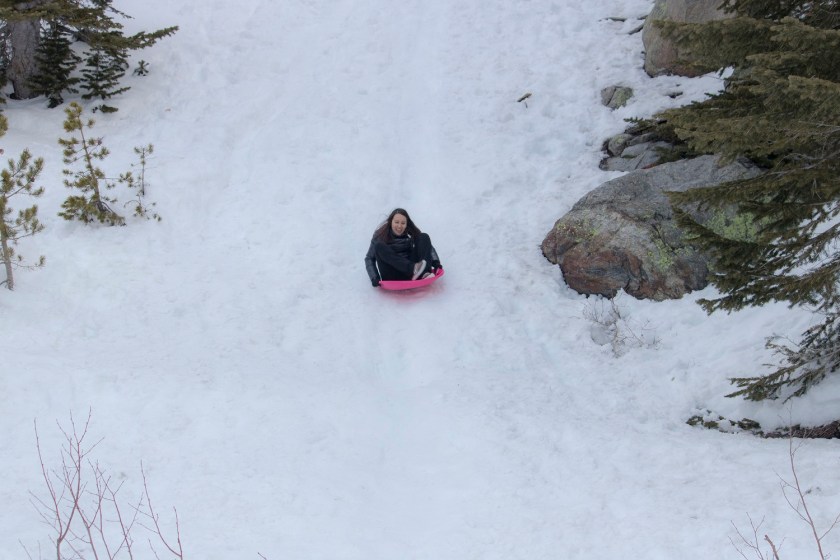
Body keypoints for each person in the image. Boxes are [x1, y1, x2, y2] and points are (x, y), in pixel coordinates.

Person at [365, 208, 442, 287]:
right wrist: (374, 278)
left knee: (423, 236)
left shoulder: (410, 231)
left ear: (406, 224)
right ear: (390, 222)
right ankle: (413, 268)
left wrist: (436, 263)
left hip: (413, 273)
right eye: (396, 222)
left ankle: (424, 273)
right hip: (391, 274)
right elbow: (369, 258)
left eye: (403, 223)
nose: (399, 226)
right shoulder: (380, 234)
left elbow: (426, 245)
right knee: (379, 246)